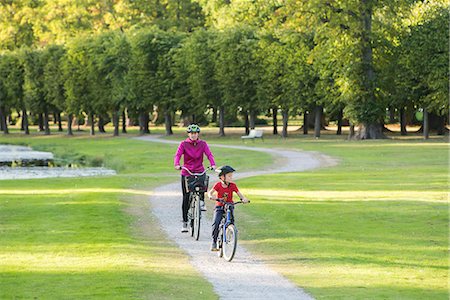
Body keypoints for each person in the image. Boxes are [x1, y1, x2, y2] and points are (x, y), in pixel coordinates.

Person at [174, 124, 216, 233]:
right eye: (191, 133)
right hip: (187, 172)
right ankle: (185, 222)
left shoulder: (203, 144)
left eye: (195, 133)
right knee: (186, 197)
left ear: (198, 134)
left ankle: (201, 201)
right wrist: (177, 164)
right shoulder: (183, 144)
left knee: (203, 183)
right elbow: (178, 155)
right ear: (188, 134)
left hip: (199, 170)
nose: (193, 135)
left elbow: (209, 154)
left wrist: (213, 164)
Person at [207, 165, 249, 251]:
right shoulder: (218, 185)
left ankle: (230, 231)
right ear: (222, 177)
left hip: (229, 205)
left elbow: (239, 194)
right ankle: (214, 242)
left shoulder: (233, 185)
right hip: (220, 206)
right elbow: (210, 193)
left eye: (231, 176)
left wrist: (243, 199)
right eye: (229, 176)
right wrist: (211, 196)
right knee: (216, 223)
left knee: (231, 221)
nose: (231, 177)